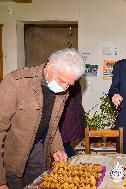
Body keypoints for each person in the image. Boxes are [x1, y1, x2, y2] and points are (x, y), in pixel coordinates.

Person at [0, 48, 85, 189]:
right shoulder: (16, 82)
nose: (64, 88)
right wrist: (1, 181)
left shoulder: (62, 88)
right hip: (12, 154)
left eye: (69, 84)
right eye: (62, 81)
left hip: (37, 150)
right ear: (50, 66)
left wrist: (57, 149)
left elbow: (53, 124)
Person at [59, 80, 86, 158]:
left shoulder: (69, 81)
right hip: (71, 119)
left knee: (64, 146)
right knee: (64, 146)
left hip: (69, 119)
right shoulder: (73, 81)